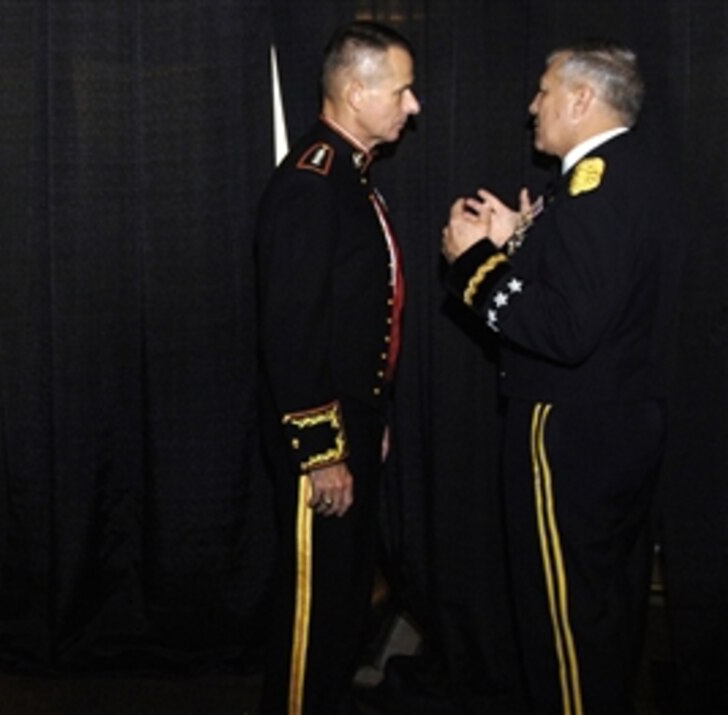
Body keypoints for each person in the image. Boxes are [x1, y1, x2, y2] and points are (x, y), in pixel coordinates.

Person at [441, 40, 684, 714]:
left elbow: (563, 330)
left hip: (568, 427)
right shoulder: (638, 169)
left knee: (565, 620)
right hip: (625, 419)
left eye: (544, 92)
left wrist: (475, 262)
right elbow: (601, 290)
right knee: (609, 606)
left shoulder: (594, 185)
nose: (532, 107)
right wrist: (522, 238)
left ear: (582, 99)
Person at [255, 20, 420, 715]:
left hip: (353, 426)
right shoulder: (311, 185)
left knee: (345, 603)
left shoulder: (351, 180)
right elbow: (292, 335)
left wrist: (370, 418)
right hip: (318, 444)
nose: (414, 107)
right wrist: (324, 453)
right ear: (356, 92)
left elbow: (357, 324)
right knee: (312, 613)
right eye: (403, 91)